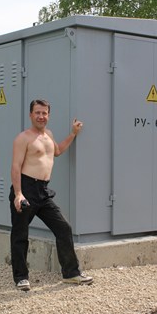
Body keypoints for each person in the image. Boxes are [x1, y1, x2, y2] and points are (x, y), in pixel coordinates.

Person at [9, 99, 93, 291]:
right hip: (26, 189)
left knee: (63, 228)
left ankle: (71, 274)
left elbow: (58, 151)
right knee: (20, 234)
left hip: (43, 191)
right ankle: (21, 277)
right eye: (37, 113)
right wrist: (18, 194)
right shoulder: (23, 138)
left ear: (48, 115)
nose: (41, 116)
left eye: (44, 113)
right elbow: (15, 167)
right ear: (30, 115)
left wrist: (73, 134)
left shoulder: (49, 135)